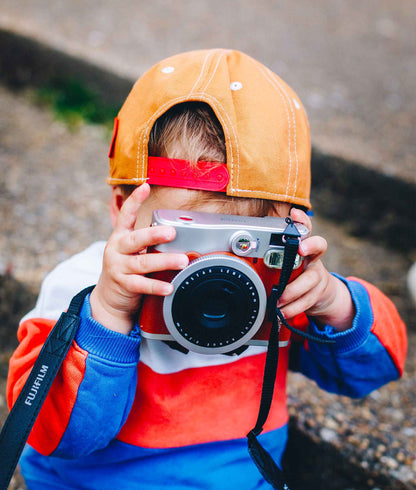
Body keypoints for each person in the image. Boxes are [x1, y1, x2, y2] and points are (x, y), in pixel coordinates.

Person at [7, 49, 407, 489]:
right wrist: (108, 315)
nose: (216, 271)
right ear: (124, 210)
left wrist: (332, 300)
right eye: (188, 237)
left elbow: (373, 371)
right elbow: (54, 435)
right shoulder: (80, 288)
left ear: (288, 229)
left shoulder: (276, 288)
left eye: (245, 242)